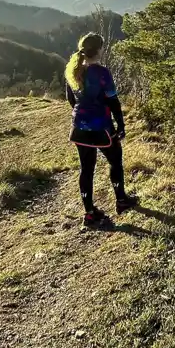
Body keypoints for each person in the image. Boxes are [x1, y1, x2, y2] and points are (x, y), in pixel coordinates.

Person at [65, 33, 137, 229]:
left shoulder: (72, 70)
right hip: (100, 128)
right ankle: (121, 200)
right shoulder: (101, 72)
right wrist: (120, 125)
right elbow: (113, 100)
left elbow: (71, 100)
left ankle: (89, 213)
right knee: (115, 161)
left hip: (78, 127)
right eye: (102, 47)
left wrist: (82, 115)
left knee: (86, 169)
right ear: (98, 50)